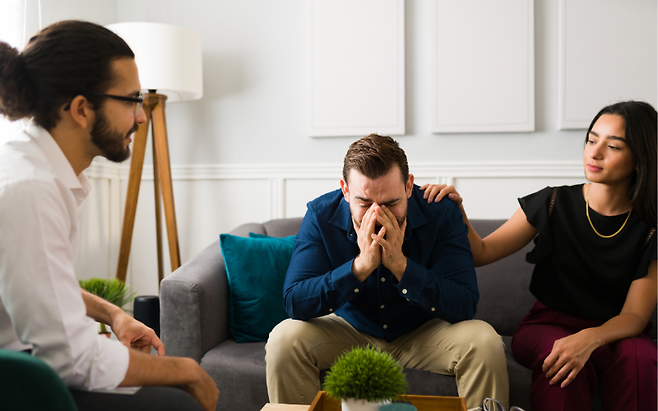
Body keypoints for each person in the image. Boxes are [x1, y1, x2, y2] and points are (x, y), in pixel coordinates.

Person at [0, 20, 218, 411]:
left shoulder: (39, 172)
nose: (141, 116)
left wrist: (113, 313)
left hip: (26, 361)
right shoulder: (30, 188)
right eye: (132, 100)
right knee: (178, 402)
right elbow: (71, 357)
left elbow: (45, 285)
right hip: (16, 378)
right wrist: (184, 369)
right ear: (82, 109)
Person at [420, 101, 657, 411]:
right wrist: (457, 210)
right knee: (560, 358)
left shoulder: (651, 228)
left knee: (641, 357)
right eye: (591, 140)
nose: (594, 153)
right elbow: (481, 252)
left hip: (615, 332)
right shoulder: (552, 202)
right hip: (548, 324)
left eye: (612, 146)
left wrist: (590, 338)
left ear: (639, 158)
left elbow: (635, 316)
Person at [265, 134, 509, 410]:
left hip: (423, 331)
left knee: (484, 341)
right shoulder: (321, 215)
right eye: (364, 203)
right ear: (345, 190)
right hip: (350, 329)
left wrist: (401, 266)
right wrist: (360, 267)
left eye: (391, 203)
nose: (378, 215)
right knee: (284, 339)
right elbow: (295, 300)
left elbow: (464, 303)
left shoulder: (441, 212)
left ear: (408, 186)